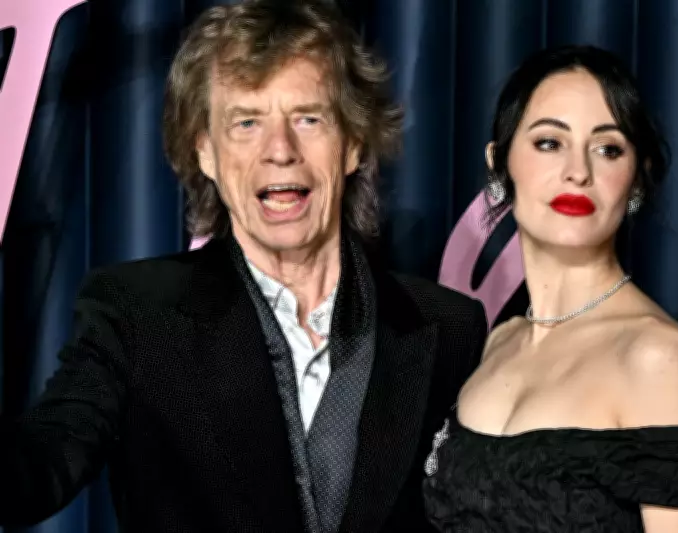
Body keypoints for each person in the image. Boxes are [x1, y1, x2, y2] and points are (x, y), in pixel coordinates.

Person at [0, 1, 487, 532]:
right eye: (247, 122)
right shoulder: (135, 314)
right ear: (205, 152)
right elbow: (38, 465)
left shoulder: (449, 327)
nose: (280, 150)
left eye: (308, 118)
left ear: (352, 144)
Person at [421, 45, 678, 533]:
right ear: (499, 165)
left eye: (608, 149)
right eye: (549, 143)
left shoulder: (654, 354)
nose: (578, 171)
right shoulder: (499, 340)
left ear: (636, 180)